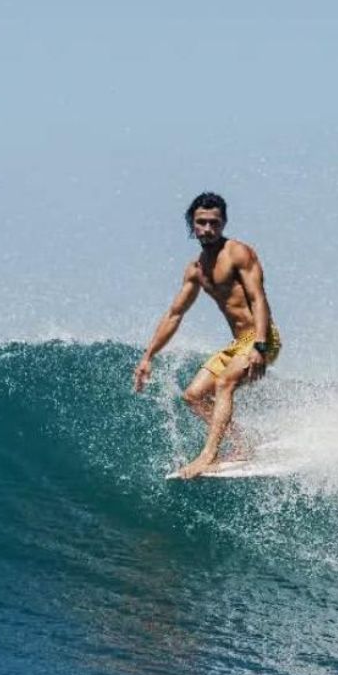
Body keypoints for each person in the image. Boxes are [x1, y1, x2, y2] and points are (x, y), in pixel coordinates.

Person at [133, 192, 281, 479]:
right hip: (238, 343)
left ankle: (208, 455)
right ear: (192, 223)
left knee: (224, 383)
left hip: (262, 337)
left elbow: (258, 298)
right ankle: (244, 442)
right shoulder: (196, 270)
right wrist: (148, 356)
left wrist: (260, 346)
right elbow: (175, 314)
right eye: (202, 222)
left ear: (224, 222)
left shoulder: (238, 253)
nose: (208, 228)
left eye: (215, 222)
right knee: (193, 396)